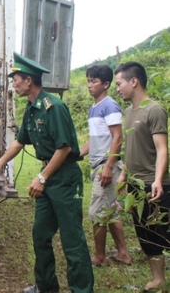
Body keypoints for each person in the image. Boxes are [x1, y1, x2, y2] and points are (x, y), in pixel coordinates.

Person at [0, 53, 94, 293]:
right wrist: (1, 161)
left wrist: (42, 177)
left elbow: (65, 147)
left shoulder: (54, 107)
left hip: (64, 178)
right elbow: (20, 141)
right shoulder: (32, 108)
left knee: (72, 241)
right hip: (47, 178)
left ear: (29, 81)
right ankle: (46, 288)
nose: (13, 84)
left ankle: (82, 290)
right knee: (41, 236)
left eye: (16, 79)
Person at [115, 61, 170, 292]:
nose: (117, 88)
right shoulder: (128, 112)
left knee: (164, 232)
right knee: (146, 234)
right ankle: (158, 279)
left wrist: (157, 180)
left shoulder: (154, 110)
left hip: (154, 184)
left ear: (134, 81)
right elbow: (131, 148)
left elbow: (162, 149)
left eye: (119, 83)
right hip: (135, 184)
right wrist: (124, 175)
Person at [79, 64, 132, 267]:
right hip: (99, 165)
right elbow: (94, 140)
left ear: (106, 84)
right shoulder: (94, 108)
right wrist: (76, 154)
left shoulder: (109, 106)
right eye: (88, 81)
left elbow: (117, 137)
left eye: (94, 81)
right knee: (110, 211)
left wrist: (109, 167)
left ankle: (99, 257)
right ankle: (123, 253)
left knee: (97, 213)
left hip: (105, 166)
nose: (89, 85)